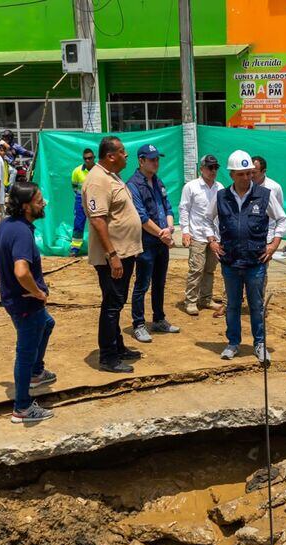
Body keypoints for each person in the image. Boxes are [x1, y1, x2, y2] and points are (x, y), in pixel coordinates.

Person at [206, 150, 286, 363]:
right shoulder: (221, 196)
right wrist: (212, 241)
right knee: (232, 305)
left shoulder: (264, 195)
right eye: (241, 174)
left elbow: (282, 220)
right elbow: (206, 219)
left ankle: (259, 344)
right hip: (231, 261)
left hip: (255, 262)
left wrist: (273, 246)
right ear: (231, 174)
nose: (246, 178)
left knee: (256, 305)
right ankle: (233, 343)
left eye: (249, 173)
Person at [0, 181, 55, 424]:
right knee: (24, 353)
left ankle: (37, 373)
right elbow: (21, 271)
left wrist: (3, 273)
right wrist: (37, 292)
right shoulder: (23, 233)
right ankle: (23, 408)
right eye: (39, 201)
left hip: (13, 299)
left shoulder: (7, 224)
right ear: (27, 206)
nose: (43, 203)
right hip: (26, 304)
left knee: (48, 323)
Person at [84, 136, 143, 374]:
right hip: (113, 256)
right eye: (123, 152)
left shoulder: (111, 176)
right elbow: (98, 220)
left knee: (117, 303)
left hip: (124, 252)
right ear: (111, 156)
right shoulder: (98, 180)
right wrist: (113, 255)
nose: (126, 156)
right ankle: (108, 357)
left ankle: (117, 347)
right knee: (112, 304)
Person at [127, 144, 180, 343]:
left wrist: (169, 229)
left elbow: (167, 207)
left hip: (161, 240)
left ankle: (159, 319)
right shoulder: (133, 185)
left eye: (157, 159)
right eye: (152, 159)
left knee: (160, 282)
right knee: (142, 284)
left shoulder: (158, 182)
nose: (156, 163)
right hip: (146, 242)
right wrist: (162, 234)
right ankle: (138, 324)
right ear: (141, 161)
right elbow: (140, 216)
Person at [179, 154, 223, 316]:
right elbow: (184, 209)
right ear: (201, 169)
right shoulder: (191, 187)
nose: (213, 171)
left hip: (215, 236)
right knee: (196, 268)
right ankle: (190, 301)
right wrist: (185, 231)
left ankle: (205, 298)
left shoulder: (220, 188)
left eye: (215, 167)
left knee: (210, 269)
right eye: (210, 167)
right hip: (197, 234)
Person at [70, 148, 96, 256]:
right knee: (79, 223)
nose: (88, 160)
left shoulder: (99, 170)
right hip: (81, 199)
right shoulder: (77, 171)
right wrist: (80, 196)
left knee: (98, 222)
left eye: (90, 158)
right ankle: (75, 248)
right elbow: (74, 186)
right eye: (85, 158)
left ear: (94, 158)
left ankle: (99, 248)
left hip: (96, 199)